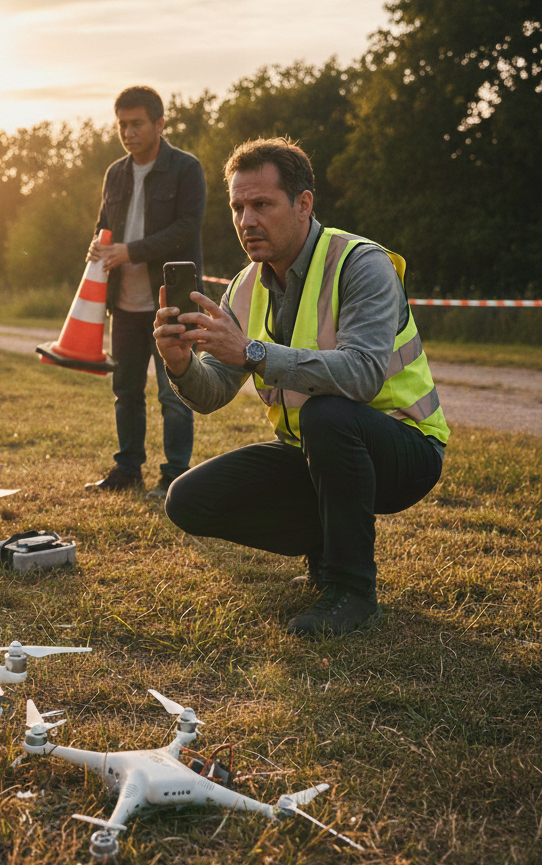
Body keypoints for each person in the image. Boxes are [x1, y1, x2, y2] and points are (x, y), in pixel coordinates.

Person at [154, 137, 449, 638]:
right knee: (187, 499)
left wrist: (253, 352)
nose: (247, 220)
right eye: (238, 207)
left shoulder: (361, 263)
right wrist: (180, 364)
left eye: (262, 204)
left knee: (326, 415)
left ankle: (352, 590)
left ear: (303, 203)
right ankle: (328, 546)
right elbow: (213, 392)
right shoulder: (244, 286)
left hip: (405, 448)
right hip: (314, 453)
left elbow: (362, 374)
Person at [84, 85, 206, 499]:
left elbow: (187, 227)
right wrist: (98, 246)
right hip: (123, 304)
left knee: (175, 393)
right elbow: (104, 226)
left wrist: (130, 251)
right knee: (126, 392)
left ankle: (175, 476)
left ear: (160, 123)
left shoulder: (186, 168)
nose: (128, 132)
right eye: (122, 125)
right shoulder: (114, 173)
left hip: (170, 304)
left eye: (136, 124)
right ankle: (127, 470)